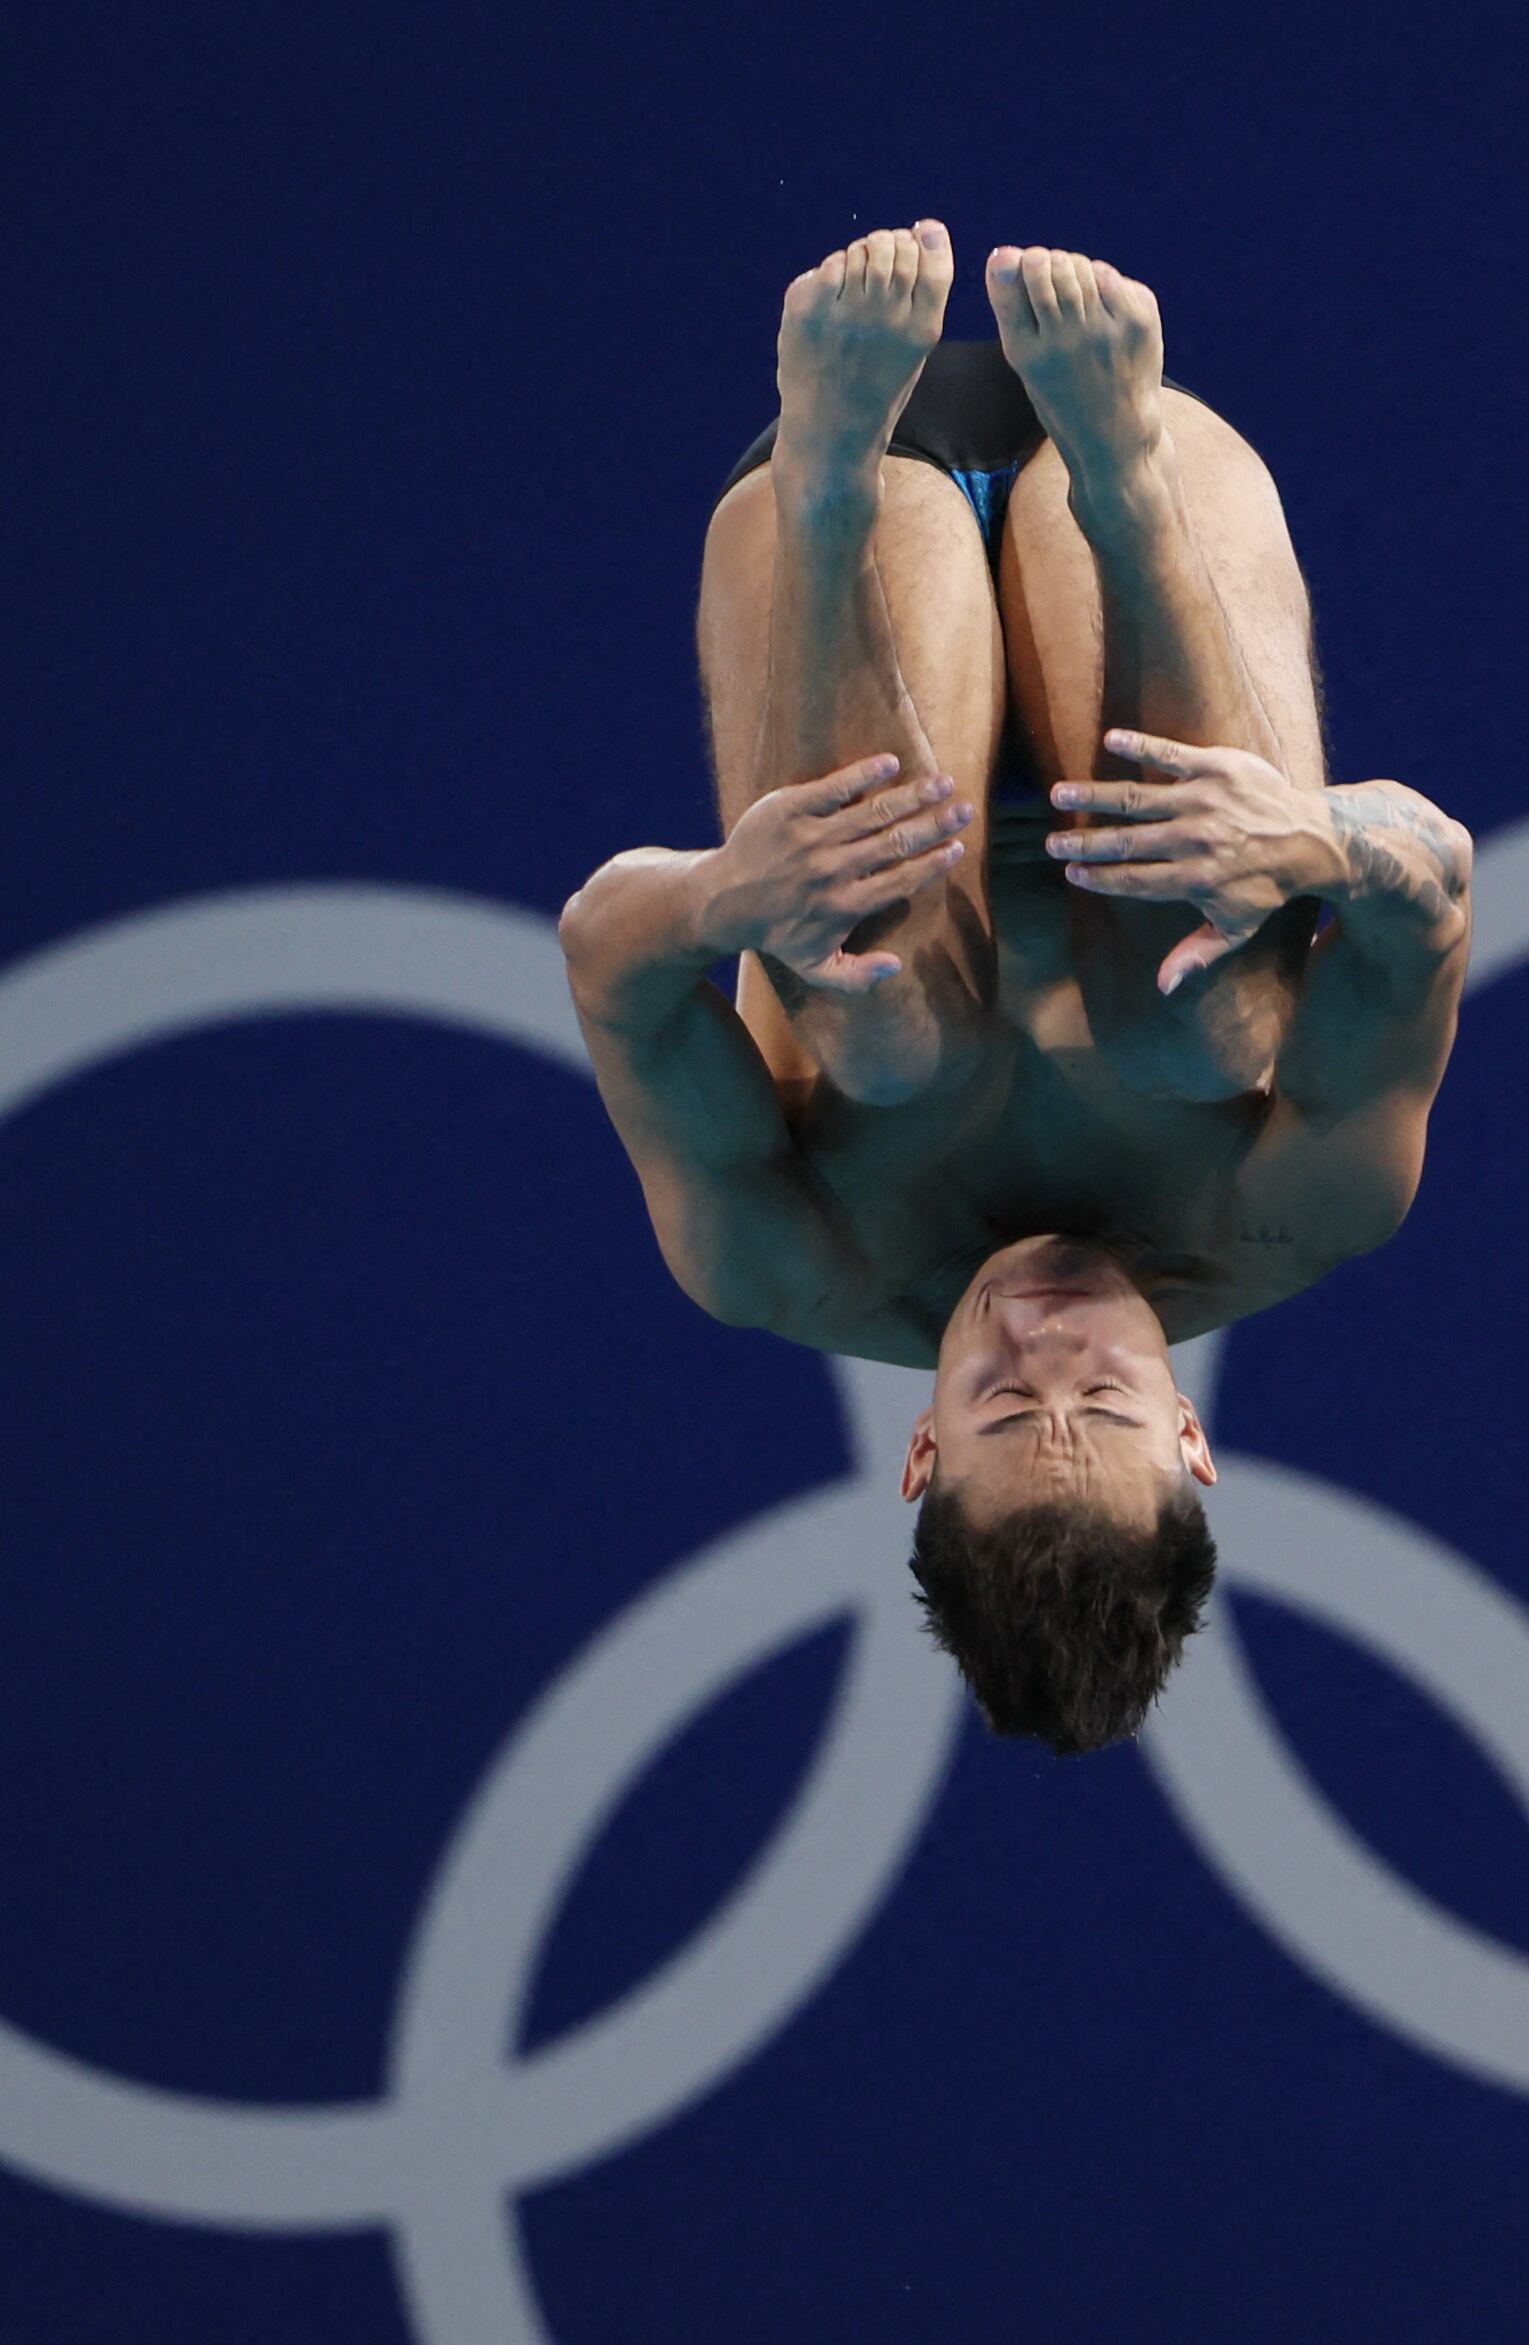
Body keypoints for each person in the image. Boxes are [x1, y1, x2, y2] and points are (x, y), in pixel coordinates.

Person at [556, 226, 1473, 1756]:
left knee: (885, 1044)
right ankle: (1115, 485)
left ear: (919, 1450)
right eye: (1103, 1407)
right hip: (1142, 508)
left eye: (998, 1409)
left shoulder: (787, 1257)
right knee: (1199, 1030)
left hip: (841, 572)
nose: (1046, 1347)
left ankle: (833, 481)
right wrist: (1312, 839)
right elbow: (1432, 880)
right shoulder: (1304, 1202)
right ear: (1191, 1438)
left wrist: (722, 899)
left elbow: (603, 954)